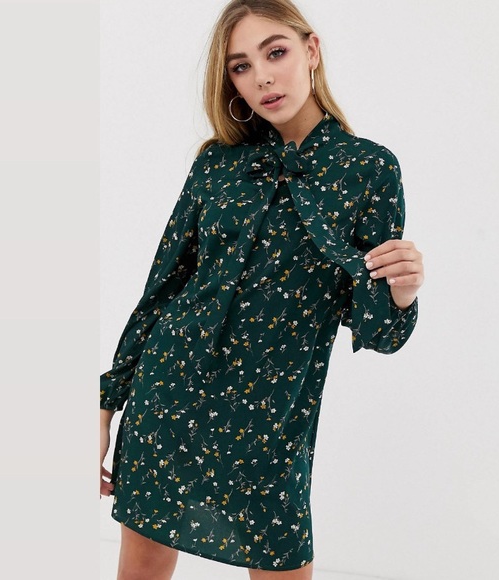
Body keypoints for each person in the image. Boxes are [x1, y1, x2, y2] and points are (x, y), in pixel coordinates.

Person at [100, 0, 424, 578]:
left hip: (273, 425)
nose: (263, 78)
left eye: (275, 53)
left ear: (311, 50)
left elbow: (378, 334)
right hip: (168, 397)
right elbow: (162, 289)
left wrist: (402, 294)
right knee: (141, 567)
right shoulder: (217, 164)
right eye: (241, 66)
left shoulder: (369, 170)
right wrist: (106, 403)